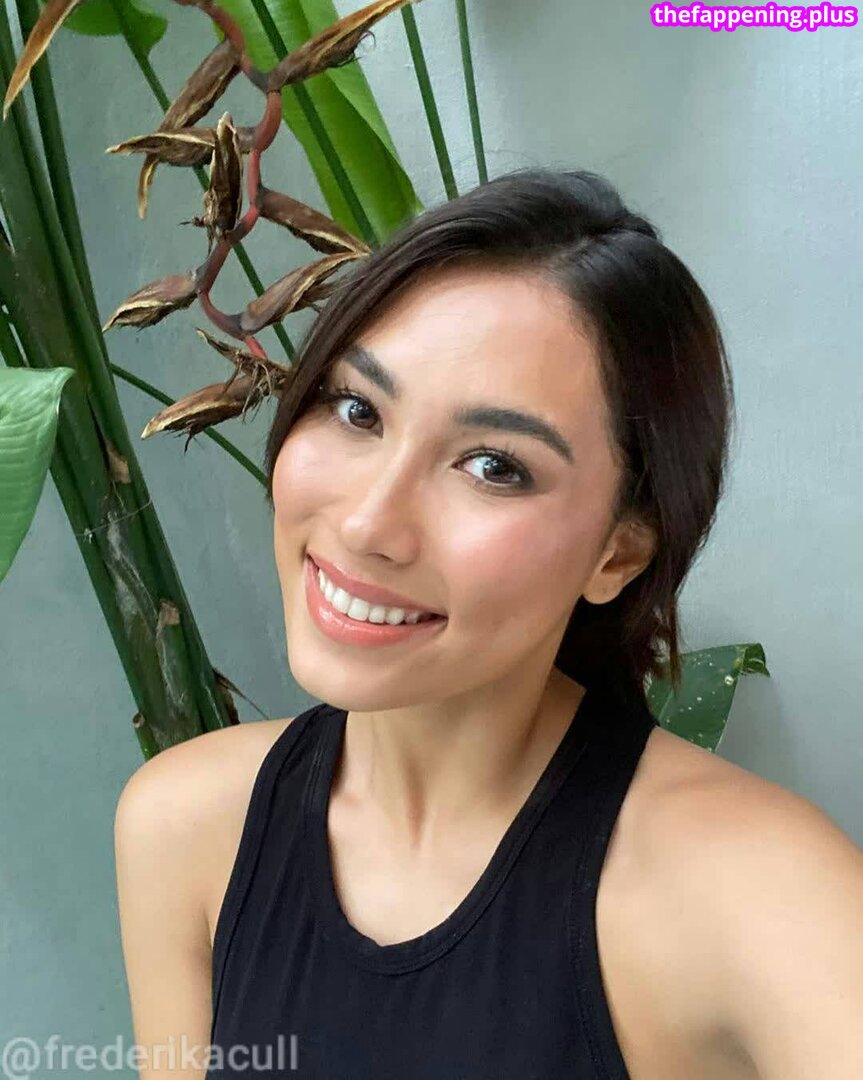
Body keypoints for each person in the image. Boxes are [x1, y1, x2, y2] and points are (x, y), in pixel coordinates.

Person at [115, 168, 863, 1079]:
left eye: (493, 466)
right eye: (357, 410)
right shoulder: (186, 825)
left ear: (617, 554)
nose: (368, 525)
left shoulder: (757, 895)